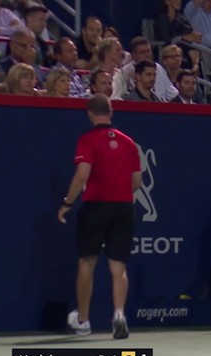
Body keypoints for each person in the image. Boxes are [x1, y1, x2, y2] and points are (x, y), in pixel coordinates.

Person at [58, 94, 142, 339]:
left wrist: (67, 202)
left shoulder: (87, 140)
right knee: (118, 266)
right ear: (111, 112)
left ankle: (83, 321)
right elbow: (136, 182)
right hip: (123, 208)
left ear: (90, 114)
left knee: (87, 263)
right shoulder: (128, 142)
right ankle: (119, 315)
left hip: (95, 207)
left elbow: (82, 175)